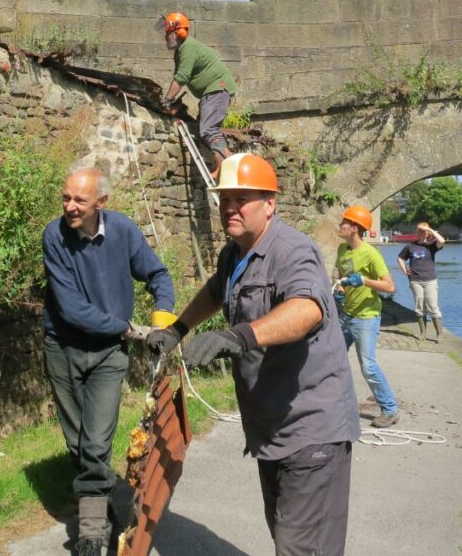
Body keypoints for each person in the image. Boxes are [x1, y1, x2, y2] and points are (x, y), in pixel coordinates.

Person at [147, 153, 360, 556]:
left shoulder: (293, 251)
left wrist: (240, 336)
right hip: (271, 427)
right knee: (286, 534)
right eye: (224, 198)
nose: (229, 207)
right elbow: (215, 291)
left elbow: (308, 309)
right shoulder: (234, 254)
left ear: (269, 203)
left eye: (240, 198)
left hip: (311, 426)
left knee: (301, 548)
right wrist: (177, 329)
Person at [42, 166, 176, 556]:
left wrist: (163, 320)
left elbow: (157, 274)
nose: (69, 206)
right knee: (78, 443)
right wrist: (130, 330)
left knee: (97, 442)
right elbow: (71, 310)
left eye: (79, 200)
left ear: (102, 202)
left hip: (107, 356)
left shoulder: (123, 231)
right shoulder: (55, 236)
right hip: (62, 347)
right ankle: (101, 511)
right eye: (66, 197)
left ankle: (90, 531)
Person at [334, 205, 400, 428]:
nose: (340, 225)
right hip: (346, 315)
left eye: (344, 222)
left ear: (354, 228)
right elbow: (342, 278)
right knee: (332, 359)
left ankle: (390, 410)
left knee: (368, 367)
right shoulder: (342, 250)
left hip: (366, 318)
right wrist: (340, 292)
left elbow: (390, 287)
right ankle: (334, 404)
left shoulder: (371, 254)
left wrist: (363, 280)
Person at [158, 12, 237, 177]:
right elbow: (180, 75)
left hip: (217, 88)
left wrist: (167, 100)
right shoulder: (180, 52)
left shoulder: (189, 47)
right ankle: (222, 162)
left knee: (209, 129)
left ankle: (225, 167)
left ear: (177, 32)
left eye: (168, 33)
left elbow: (181, 77)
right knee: (203, 130)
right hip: (210, 92)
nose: (166, 37)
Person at [397, 221, 446, 341]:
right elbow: (400, 257)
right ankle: (422, 333)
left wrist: (430, 229)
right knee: (419, 306)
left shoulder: (432, 246)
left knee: (432, 306)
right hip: (415, 280)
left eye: (423, 231)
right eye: (419, 230)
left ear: (428, 233)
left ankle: (439, 334)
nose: (420, 233)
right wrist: (404, 270)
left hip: (430, 280)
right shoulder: (410, 246)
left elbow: (442, 241)